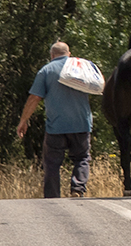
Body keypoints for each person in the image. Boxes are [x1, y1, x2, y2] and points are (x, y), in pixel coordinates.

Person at [17, 41, 93, 198]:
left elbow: (34, 98)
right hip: (81, 124)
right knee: (82, 158)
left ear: (52, 56)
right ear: (69, 54)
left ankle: (52, 197)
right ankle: (77, 188)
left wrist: (23, 120)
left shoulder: (46, 70)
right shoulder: (81, 67)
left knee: (52, 164)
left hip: (56, 127)